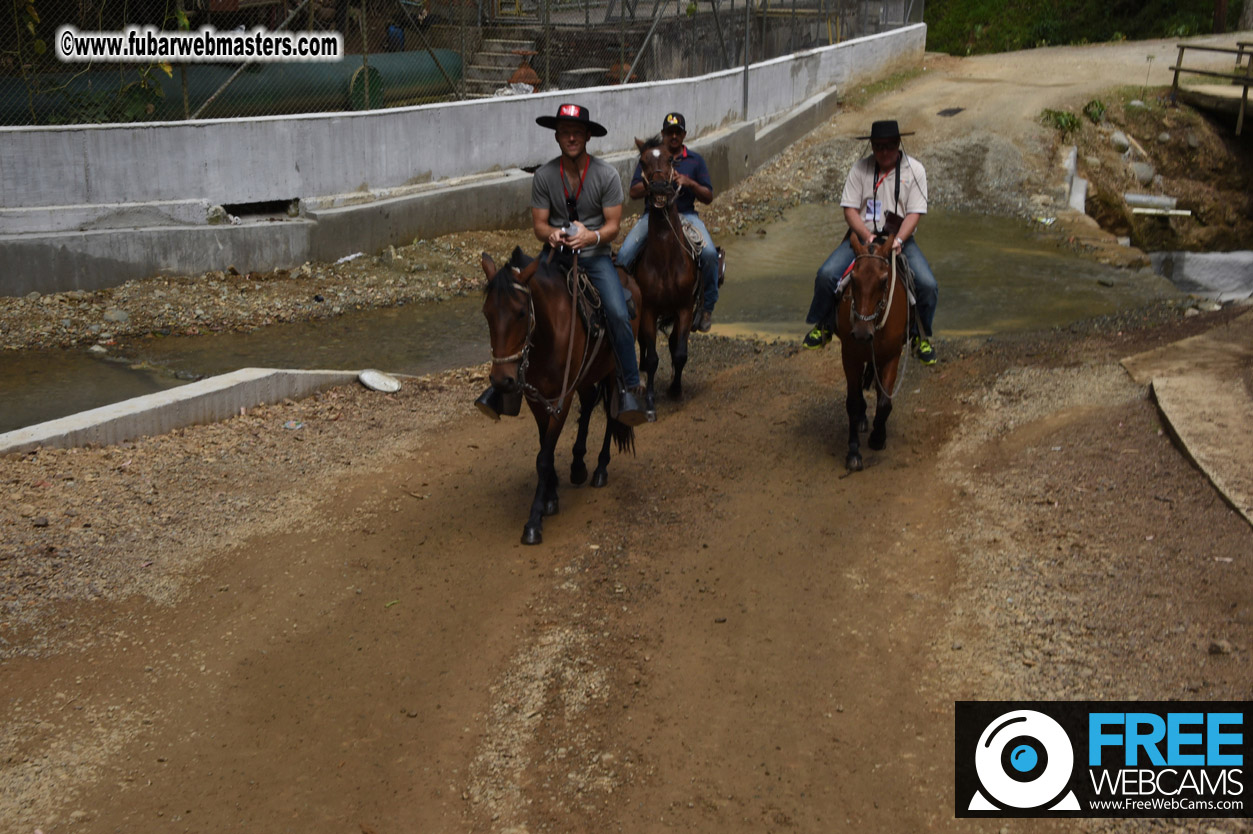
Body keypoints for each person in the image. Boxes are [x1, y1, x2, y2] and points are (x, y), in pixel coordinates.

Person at [531, 103, 647, 424]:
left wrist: (591, 237)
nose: (571, 138)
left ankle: (631, 387)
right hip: (556, 257)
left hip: (594, 257)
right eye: (565, 132)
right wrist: (551, 234)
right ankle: (507, 385)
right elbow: (539, 224)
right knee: (515, 299)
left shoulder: (606, 175)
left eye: (577, 132)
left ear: (587, 137)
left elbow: (613, 226)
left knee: (618, 312)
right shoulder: (543, 176)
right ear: (556, 137)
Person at [802, 120, 939, 365]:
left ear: (898, 145)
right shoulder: (860, 169)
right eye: (877, 147)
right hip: (862, 237)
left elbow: (915, 213)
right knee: (826, 274)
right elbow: (850, 210)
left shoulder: (915, 170)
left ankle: (921, 335)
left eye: (887, 146)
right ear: (872, 147)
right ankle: (822, 324)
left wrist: (897, 240)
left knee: (927, 284)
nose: (882, 152)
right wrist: (865, 236)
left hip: (899, 239)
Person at [615, 112, 721, 333]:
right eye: (669, 132)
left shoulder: (695, 160)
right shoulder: (651, 157)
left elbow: (708, 196)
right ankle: (627, 303)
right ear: (663, 134)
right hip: (653, 217)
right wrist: (654, 183)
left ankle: (706, 307)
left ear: (683, 134)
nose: (673, 136)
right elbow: (633, 191)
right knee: (624, 254)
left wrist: (689, 182)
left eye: (678, 132)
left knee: (710, 254)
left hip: (686, 216)